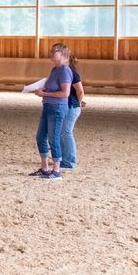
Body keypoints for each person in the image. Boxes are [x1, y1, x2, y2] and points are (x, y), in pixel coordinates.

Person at [30, 44, 73, 181]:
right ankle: (45, 168)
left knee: (53, 138)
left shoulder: (65, 70)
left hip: (57, 108)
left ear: (62, 54)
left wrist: (44, 93)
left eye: (54, 52)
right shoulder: (55, 69)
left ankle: (56, 170)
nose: (51, 54)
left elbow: (65, 93)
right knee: (40, 137)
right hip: (48, 106)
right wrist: (43, 91)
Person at [54, 43, 85, 171]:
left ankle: (69, 161)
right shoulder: (61, 71)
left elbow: (80, 91)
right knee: (61, 132)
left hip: (71, 106)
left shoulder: (72, 72)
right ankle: (63, 159)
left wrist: (78, 103)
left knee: (66, 132)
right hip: (65, 105)